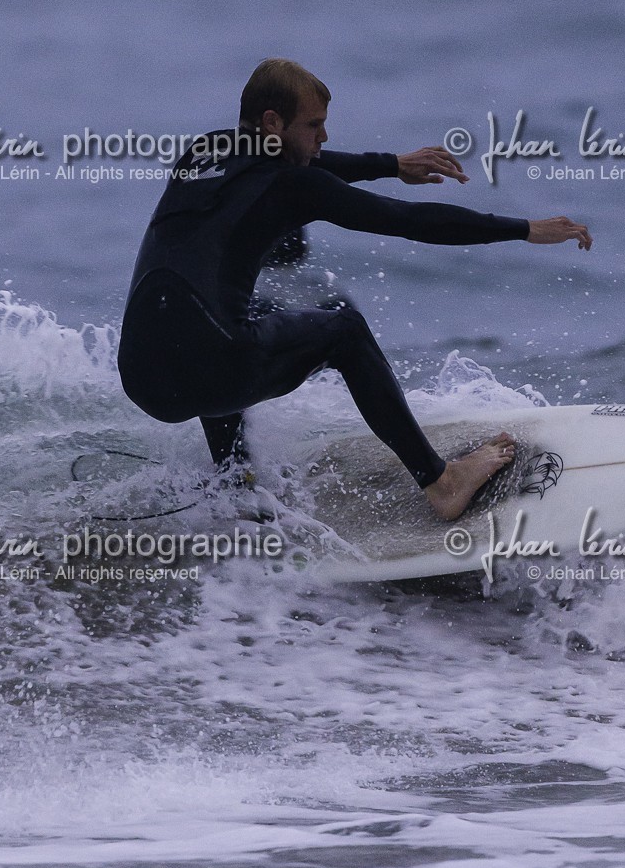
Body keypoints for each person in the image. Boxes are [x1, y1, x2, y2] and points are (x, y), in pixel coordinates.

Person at [118, 59, 591, 523]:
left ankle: (232, 477)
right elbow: (408, 220)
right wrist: (524, 228)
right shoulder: (292, 185)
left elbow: (312, 164)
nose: (323, 138)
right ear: (272, 122)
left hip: (144, 379)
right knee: (342, 326)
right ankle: (442, 484)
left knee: (233, 315)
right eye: (314, 125)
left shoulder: (203, 152)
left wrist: (391, 164)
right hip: (216, 372)